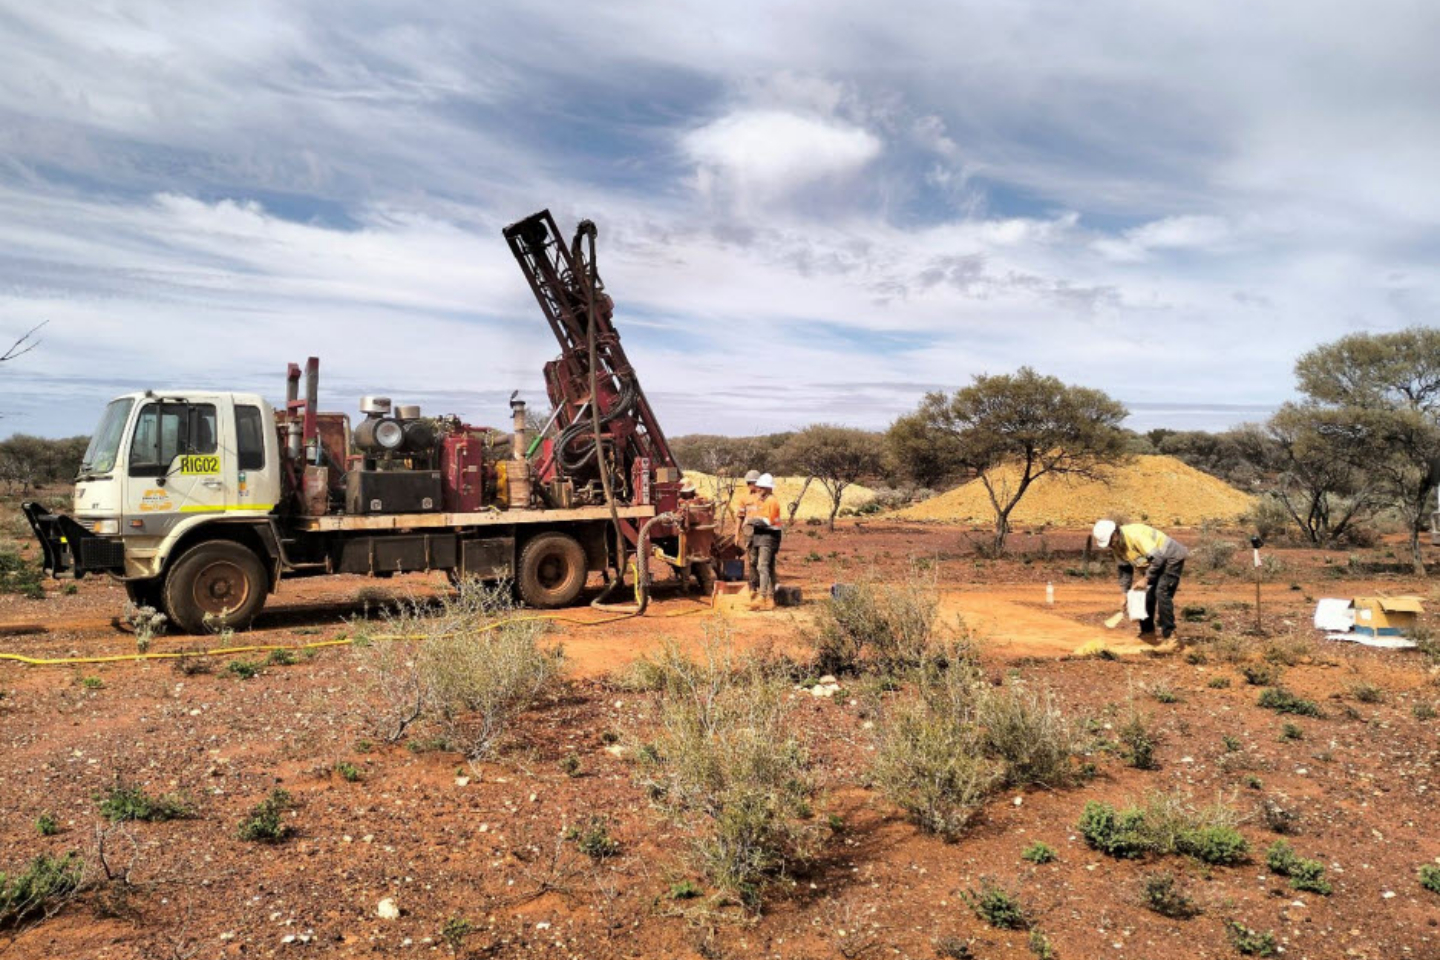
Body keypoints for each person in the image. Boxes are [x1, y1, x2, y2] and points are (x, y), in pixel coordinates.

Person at [1092, 519, 1189, 640]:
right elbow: (1125, 569)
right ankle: (1147, 634)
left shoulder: (1135, 536)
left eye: (1110, 541)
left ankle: (1170, 636)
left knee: (1161, 592)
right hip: (1155, 563)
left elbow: (1158, 558)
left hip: (1171, 557)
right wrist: (1124, 593)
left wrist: (1146, 578)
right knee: (1145, 594)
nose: (1110, 545)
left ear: (1115, 533)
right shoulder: (1116, 545)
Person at [746, 473, 783, 609]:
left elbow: (769, 521)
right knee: (769, 567)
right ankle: (770, 598)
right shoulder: (763, 501)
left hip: (768, 536)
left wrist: (752, 521)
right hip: (761, 536)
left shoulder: (772, 501)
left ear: (767, 488)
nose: (758, 489)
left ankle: (762, 596)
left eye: (761, 487)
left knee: (762, 566)